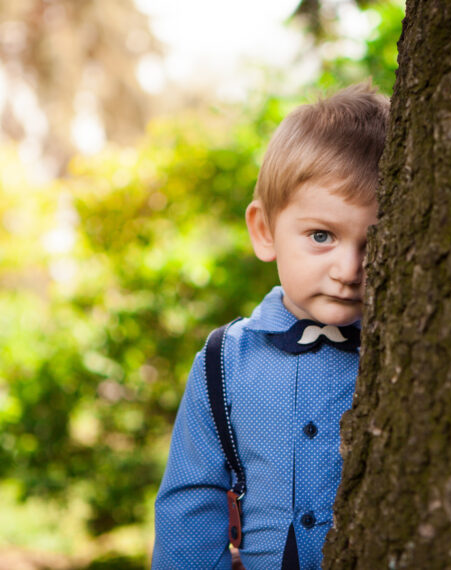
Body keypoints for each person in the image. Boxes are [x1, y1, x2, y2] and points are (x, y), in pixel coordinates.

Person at [152, 82, 390, 569]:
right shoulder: (224, 361)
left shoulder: (404, 354)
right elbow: (189, 511)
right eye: (321, 236)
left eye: (373, 241)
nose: (349, 269)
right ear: (264, 231)